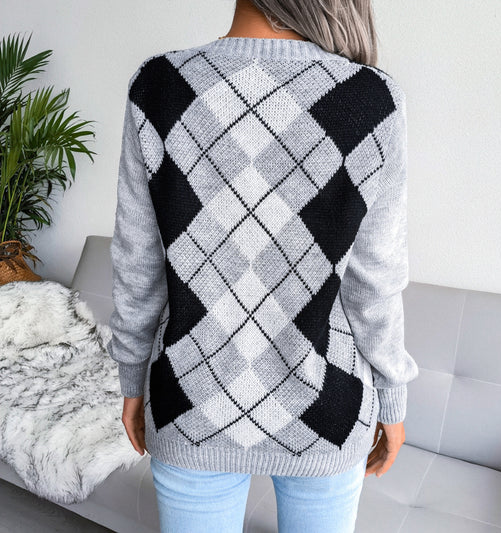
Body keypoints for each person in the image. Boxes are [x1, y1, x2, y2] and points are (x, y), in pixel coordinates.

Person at [107, 0, 419, 531]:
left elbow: (138, 263)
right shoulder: (371, 98)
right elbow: (374, 282)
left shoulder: (159, 86)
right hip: (329, 405)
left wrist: (132, 379)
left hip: (188, 400)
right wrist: (392, 395)